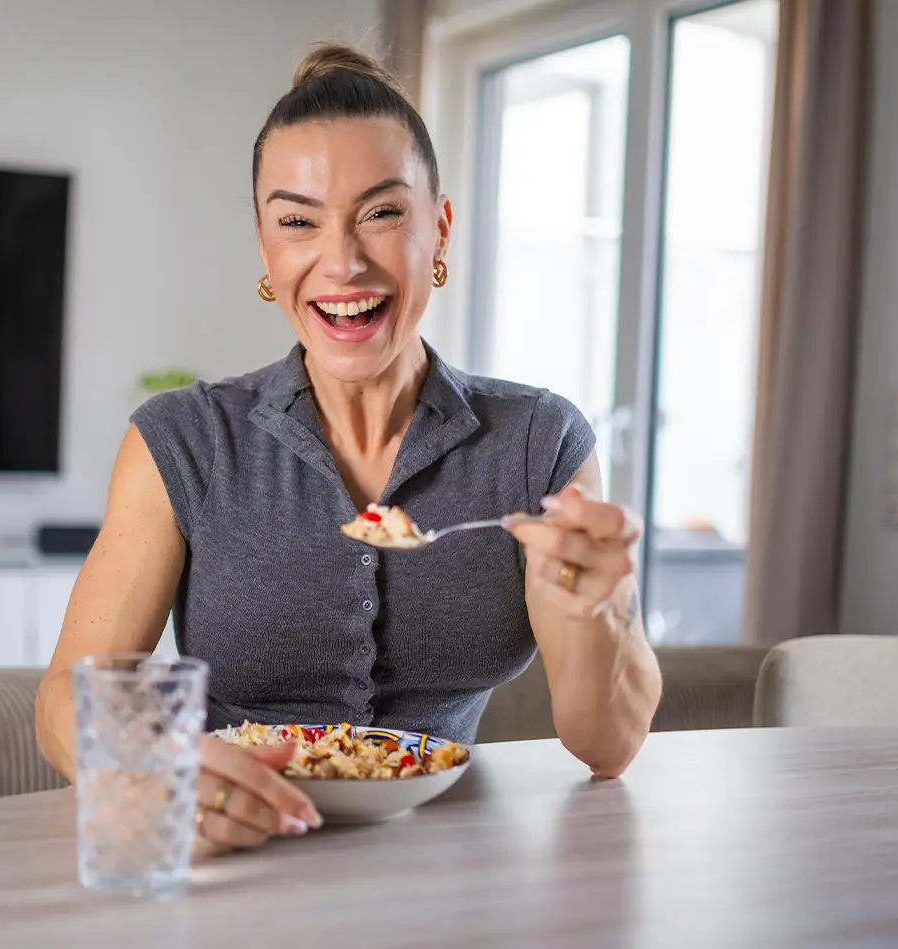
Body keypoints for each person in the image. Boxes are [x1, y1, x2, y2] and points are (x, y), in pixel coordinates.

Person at [35, 42, 662, 859]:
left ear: (438, 227)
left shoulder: (538, 443)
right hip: (236, 859)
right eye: (298, 222)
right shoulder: (183, 441)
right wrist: (152, 768)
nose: (343, 261)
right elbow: (68, 696)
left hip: (459, 876)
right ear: (266, 248)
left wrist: (598, 608)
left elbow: (606, 747)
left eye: (381, 212)